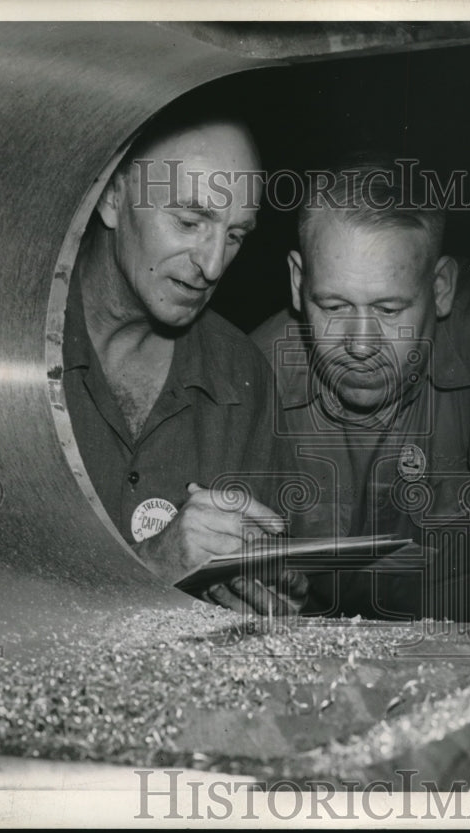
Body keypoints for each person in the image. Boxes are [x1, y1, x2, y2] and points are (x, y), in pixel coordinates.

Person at [250, 160, 470, 621]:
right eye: (333, 306)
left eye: (390, 310)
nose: (360, 344)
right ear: (297, 281)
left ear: (441, 287)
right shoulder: (245, 377)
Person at [62, 109, 307, 615]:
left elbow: (267, 595)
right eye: (190, 221)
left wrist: (274, 594)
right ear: (110, 195)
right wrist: (152, 570)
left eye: (236, 235)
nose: (214, 265)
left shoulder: (245, 377)